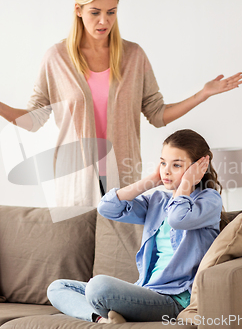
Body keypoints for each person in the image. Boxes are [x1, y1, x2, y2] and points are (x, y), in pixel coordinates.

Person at [0, 0, 242, 206]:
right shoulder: (56, 58)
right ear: (78, 10)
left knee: (121, 260)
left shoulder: (134, 56)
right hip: (73, 178)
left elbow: (157, 114)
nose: (104, 21)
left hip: (125, 175)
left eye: (111, 12)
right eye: (95, 12)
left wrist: (202, 94)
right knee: (75, 259)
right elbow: (35, 120)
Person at [47, 129, 223, 323]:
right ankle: (102, 320)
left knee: (98, 287)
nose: (166, 170)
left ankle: (111, 313)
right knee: (57, 287)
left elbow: (177, 219)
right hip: (145, 290)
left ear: (199, 167)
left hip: (174, 299)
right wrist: (151, 181)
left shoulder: (209, 200)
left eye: (176, 165)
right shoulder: (158, 200)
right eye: (163, 163)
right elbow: (107, 208)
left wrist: (187, 183)